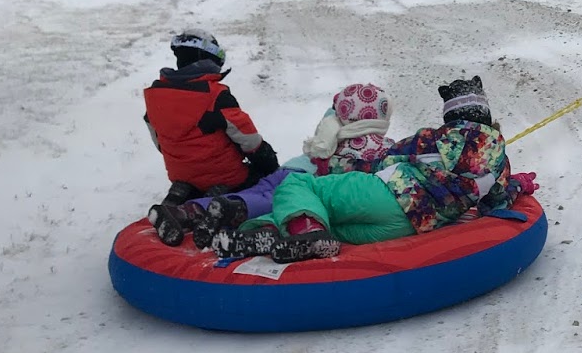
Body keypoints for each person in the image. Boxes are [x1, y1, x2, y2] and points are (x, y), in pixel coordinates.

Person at [214, 75, 533, 263]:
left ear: (450, 116)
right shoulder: (500, 161)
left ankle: (288, 232)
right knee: (332, 227)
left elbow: (385, 160)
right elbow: (496, 202)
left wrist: (343, 168)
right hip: (410, 225)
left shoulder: (431, 139)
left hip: (386, 195)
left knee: (299, 187)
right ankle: (270, 235)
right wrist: (517, 185)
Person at [159, 81, 397, 248]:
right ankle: (235, 215)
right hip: (306, 180)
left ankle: (190, 211)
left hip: (291, 168)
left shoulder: (331, 121)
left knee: (258, 192)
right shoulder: (377, 145)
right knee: (272, 203)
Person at [144, 30, 279, 244]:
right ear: (208, 58)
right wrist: (268, 161)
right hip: (226, 174)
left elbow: (159, 141)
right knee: (264, 183)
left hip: (181, 172)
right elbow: (248, 139)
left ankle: (183, 192)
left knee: (192, 178)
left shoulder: (156, 95)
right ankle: (216, 201)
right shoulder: (215, 96)